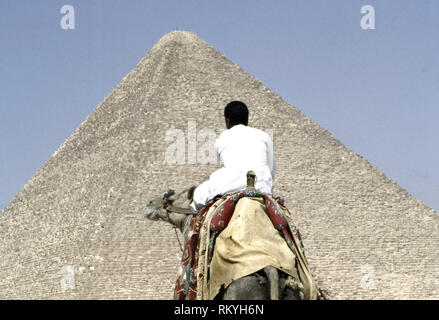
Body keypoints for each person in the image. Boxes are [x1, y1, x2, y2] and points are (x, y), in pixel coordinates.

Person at [190, 101, 276, 212]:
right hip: (260, 186)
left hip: (229, 185)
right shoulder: (264, 136)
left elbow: (226, 163)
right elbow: (271, 168)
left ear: (227, 121)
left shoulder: (221, 139)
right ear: (247, 119)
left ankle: (197, 223)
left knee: (199, 194)